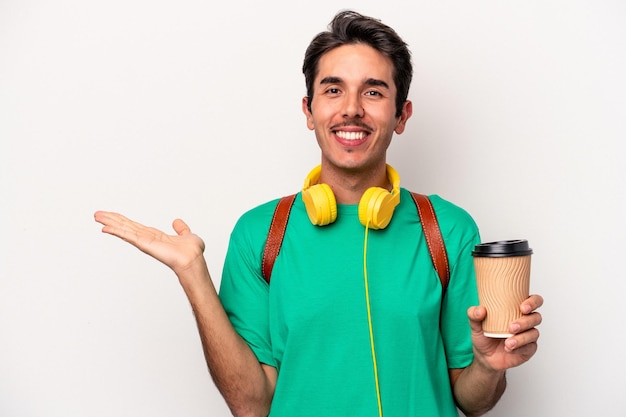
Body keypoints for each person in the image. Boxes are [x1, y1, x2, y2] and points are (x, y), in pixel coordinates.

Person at [94, 10, 543, 417]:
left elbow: (471, 399)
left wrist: (488, 366)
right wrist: (193, 276)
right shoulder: (260, 234)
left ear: (401, 114)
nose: (351, 108)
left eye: (373, 91)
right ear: (309, 111)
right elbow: (251, 404)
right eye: (333, 90)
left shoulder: (449, 230)